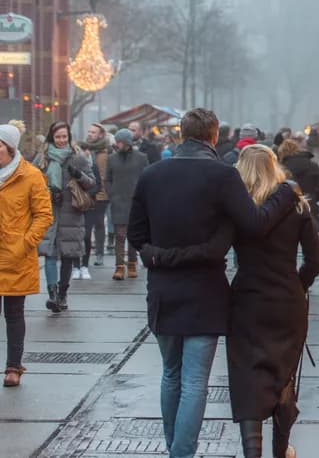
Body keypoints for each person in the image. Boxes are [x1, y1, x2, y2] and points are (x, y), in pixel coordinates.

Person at [126, 108, 299, 458]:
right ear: (215, 136)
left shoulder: (151, 174)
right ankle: (182, 454)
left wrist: (157, 256)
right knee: (194, 383)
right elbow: (253, 223)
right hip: (205, 291)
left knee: (170, 374)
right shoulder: (222, 176)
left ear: (180, 133)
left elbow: (135, 234)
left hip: (162, 289)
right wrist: (286, 193)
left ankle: (175, 448)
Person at [0, 122, 53, 387]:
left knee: (14, 313)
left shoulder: (30, 176)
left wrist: (26, 242)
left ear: (9, 147)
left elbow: (44, 215)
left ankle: (13, 367)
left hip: (15, 256)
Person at [34, 121, 95, 313]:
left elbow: (91, 183)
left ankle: (63, 293)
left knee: (68, 255)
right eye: (58, 137)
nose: (61, 140)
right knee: (50, 253)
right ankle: (52, 295)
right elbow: (32, 181)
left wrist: (78, 175)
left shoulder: (78, 158)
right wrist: (49, 191)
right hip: (50, 211)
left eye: (64, 137)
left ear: (69, 137)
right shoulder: (42, 158)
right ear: (52, 137)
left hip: (72, 213)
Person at [107, 129, 149, 280]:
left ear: (128, 142)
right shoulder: (111, 159)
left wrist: (143, 196)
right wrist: (112, 194)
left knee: (133, 236)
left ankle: (132, 263)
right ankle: (119, 267)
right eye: (117, 142)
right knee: (120, 236)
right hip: (118, 202)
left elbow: (147, 178)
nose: (118, 144)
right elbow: (108, 179)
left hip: (135, 202)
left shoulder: (141, 158)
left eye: (121, 142)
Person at [76, 123, 110, 276]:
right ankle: (82, 259)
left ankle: (99, 253)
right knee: (86, 228)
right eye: (89, 131)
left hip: (102, 193)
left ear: (100, 135)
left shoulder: (106, 151)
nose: (90, 134)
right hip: (86, 194)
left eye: (93, 132)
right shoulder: (82, 150)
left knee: (98, 224)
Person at [277, 139, 319, 218]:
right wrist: (312, 197)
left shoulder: (280, 169)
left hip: (288, 210)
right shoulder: (312, 165)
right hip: (310, 207)